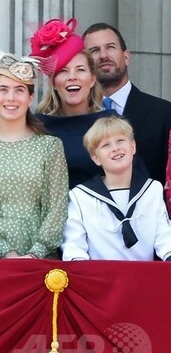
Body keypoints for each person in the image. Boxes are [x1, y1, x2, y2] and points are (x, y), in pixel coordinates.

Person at [0, 51, 68, 259]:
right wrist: (5, 252)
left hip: (40, 261)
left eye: (19, 90)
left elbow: (57, 208)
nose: (11, 98)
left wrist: (36, 254)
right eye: (3, 90)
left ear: (31, 97)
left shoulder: (50, 147)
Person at [63, 117, 171, 261]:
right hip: (101, 279)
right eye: (105, 145)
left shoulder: (152, 190)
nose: (115, 148)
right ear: (96, 158)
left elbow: (164, 236)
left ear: (133, 146)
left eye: (120, 140)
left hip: (143, 277)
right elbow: (74, 246)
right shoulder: (80, 197)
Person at [32, 18, 116, 188]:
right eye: (63, 71)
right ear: (54, 83)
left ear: (92, 80)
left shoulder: (111, 124)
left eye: (80, 70)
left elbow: (130, 178)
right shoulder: (36, 128)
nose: (72, 77)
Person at [83, 22, 171, 183]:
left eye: (110, 47)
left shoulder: (164, 113)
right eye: (94, 50)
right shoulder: (79, 115)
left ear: (126, 57)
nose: (103, 55)